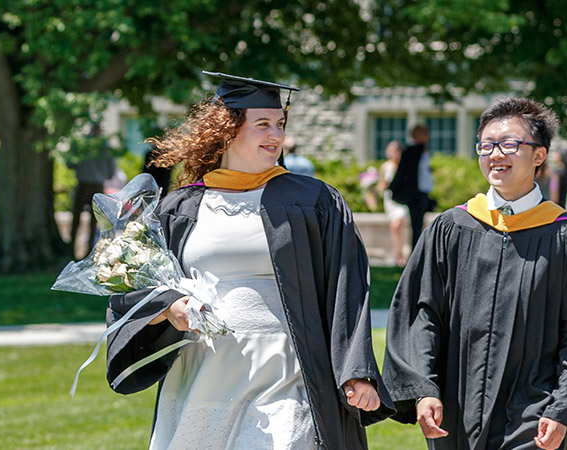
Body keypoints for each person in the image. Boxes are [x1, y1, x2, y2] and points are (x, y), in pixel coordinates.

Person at [106, 71, 391, 449]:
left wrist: (356, 371)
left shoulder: (313, 201)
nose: (276, 135)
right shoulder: (181, 207)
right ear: (226, 130)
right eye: (262, 125)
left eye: (280, 124)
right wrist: (169, 307)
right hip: (206, 368)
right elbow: (141, 286)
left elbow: (347, 288)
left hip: (289, 368)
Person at [384, 98, 567, 450]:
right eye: (487, 145)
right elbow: (422, 314)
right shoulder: (451, 228)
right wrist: (423, 388)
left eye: (510, 145)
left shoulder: (566, 237)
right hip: (454, 411)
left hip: (535, 414)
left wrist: (562, 407)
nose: (496, 154)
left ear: (539, 155)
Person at [69, 124, 117, 259]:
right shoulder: (106, 147)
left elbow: (70, 163)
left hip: (83, 183)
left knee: (76, 218)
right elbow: (111, 171)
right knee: (93, 221)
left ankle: (71, 248)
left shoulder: (82, 144)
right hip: (97, 185)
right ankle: (89, 250)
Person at [389, 124, 437, 250]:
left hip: (422, 192)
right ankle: (416, 253)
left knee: (419, 225)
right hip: (415, 194)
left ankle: (418, 251)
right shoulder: (413, 150)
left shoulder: (422, 151)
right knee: (416, 226)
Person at [377, 140, 411, 266]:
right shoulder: (386, 166)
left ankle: (403, 253)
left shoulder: (404, 166)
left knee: (397, 224)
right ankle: (399, 254)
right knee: (395, 226)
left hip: (402, 199)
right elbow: (382, 183)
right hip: (390, 199)